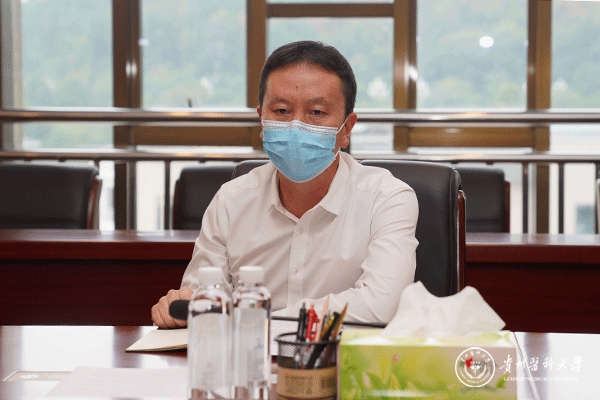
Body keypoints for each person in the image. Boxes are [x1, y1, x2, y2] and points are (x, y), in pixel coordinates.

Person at [151, 40, 418, 329]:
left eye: (317, 112)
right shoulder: (230, 200)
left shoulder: (387, 199)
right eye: (281, 111)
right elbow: (201, 300)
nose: (295, 126)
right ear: (261, 120)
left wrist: (257, 319)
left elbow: (382, 304)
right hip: (250, 355)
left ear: (347, 129)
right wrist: (183, 305)